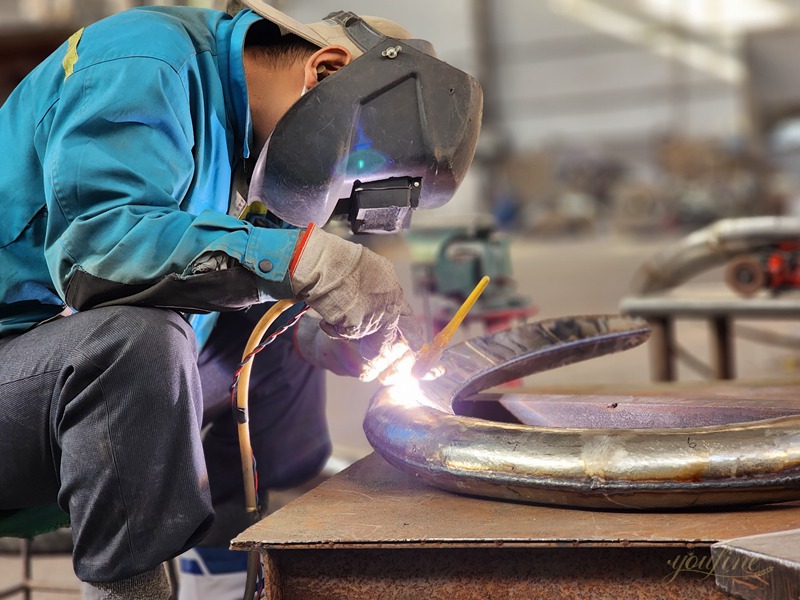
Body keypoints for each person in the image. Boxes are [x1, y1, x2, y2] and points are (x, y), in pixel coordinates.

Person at [0, 0, 481, 598]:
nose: (333, 199)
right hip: (14, 372)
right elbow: (100, 251)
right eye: (344, 175)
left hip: (52, 379)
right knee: (136, 342)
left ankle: (231, 572)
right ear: (326, 70)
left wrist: (321, 330)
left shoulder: (239, 138)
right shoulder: (144, 61)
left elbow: (215, 272)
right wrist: (308, 262)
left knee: (277, 318)